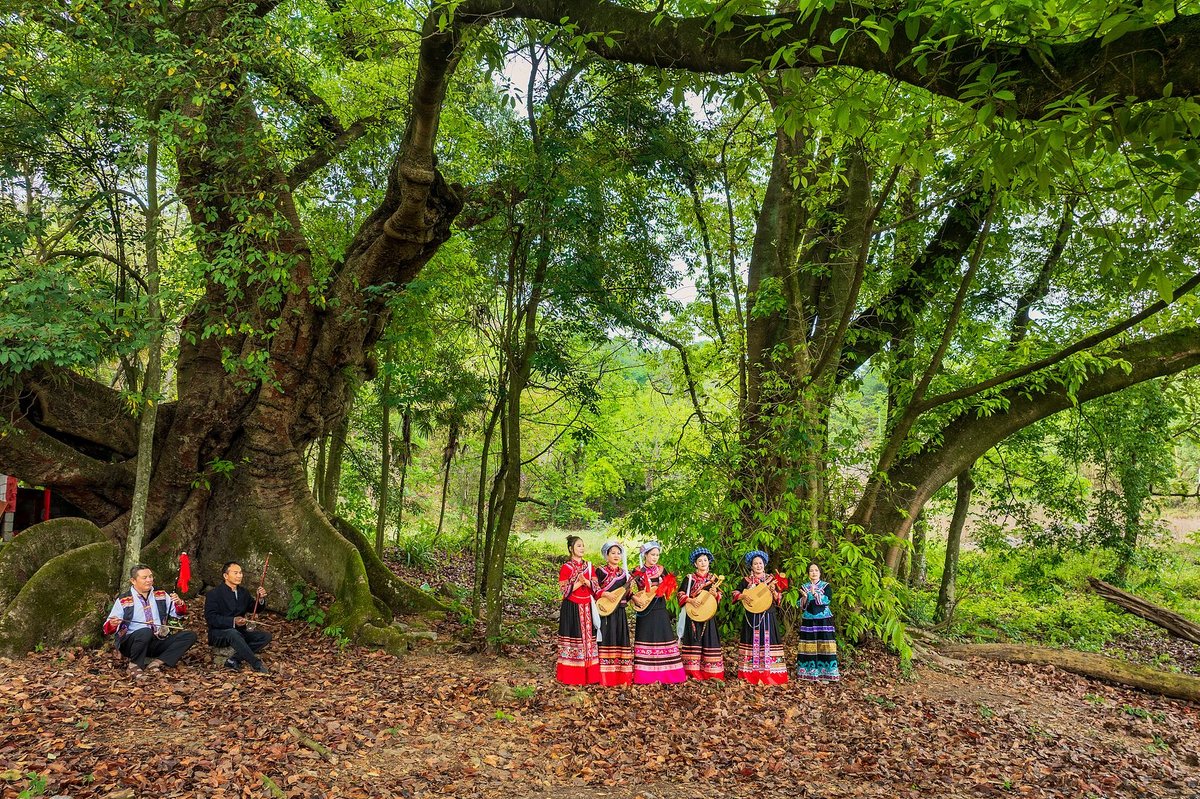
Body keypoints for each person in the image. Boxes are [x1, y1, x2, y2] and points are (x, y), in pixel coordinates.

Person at [103, 564, 197, 679]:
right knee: (145, 631)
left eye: (151, 576)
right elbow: (107, 628)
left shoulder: (160, 594)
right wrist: (113, 624)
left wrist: (179, 603)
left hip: (157, 639)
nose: (149, 580)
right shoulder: (123, 600)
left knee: (189, 636)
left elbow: (178, 613)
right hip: (132, 644)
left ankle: (156, 663)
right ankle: (134, 665)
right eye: (144, 578)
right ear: (133, 580)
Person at [630, 541, 685, 684]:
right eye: (652, 554)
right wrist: (636, 598)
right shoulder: (637, 571)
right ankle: (645, 675)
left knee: (664, 635)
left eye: (657, 555)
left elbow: (670, 589)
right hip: (645, 608)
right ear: (645, 555)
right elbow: (630, 589)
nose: (655, 557)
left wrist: (667, 585)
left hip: (659, 607)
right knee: (646, 635)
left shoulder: (661, 569)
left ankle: (668, 673)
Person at [731, 550, 788, 685]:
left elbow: (779, 597)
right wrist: (743, 596)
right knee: (752, 641)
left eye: (760, 563)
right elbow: (735, 593)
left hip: (768, 615)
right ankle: (750, 673)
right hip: (751, 617)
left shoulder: (771, 579)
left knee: (768, 641)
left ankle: (771, 673)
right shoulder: (745, 581)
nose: (758, 566)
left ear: (764, 564)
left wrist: (774, 590)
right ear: (751, 566)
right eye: (755, 564)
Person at [205, 561, 272, 674]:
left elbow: (254, 608)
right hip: (219, 633)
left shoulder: (243, 592)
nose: (239, 575)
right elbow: (211, 618)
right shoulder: (214, 594)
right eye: (235, 573)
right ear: (226, 576)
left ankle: (234, 659)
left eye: (240, 573)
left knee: (265, 636)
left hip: (240, 632)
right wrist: (233, 621)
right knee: (232, 633)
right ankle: (256, 664)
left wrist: (260, 599)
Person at [556, 535, 601, 685]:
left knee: (589, 641)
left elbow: (596, 587)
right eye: (579, 546)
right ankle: (573, 675)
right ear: (571, 549)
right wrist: (577, 583)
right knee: (574, 640)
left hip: (588, 606)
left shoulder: (589, 566)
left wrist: (586, 581)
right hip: (572, 607)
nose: (582, 548)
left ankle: (590, 675)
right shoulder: (566, 567)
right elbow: (564, 591)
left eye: (583, 545)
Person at [677, 547, 724, 680]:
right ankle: (692, 671)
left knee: (709, 639)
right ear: (695, 564)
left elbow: (719, 596)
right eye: (700, 561)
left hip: (708, 614)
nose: (703, 563)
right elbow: (680, 594)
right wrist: (691, 600)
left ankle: (711, 672)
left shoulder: (713, 579)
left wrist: (716, 595)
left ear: (709, 562)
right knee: (693, 640)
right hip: (693, 614)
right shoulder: (690, 578)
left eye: (705, 560)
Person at [592, 541, 634, 686]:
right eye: (613, 553)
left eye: (618, 553)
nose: (616, 555)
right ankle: (604, 675)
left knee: (620, 639)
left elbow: (627, 595)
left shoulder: (624, 574)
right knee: (606, 638)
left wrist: (631, 592)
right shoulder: (600, 571)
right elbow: (594, 589)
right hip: (604, 612)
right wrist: (605, 594)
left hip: (620, 611)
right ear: (606, 555)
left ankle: (621, 675)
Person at [796, 562, 840, 681]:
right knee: (809, 645)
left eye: (816, 570)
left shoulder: (826, 586)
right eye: (811, 570)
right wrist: (805, 597)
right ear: (808, 573)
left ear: (820, 572)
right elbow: (800, 605)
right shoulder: (804, 587)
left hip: (824, 620)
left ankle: (826, 674)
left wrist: (815, 594)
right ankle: (808, 673)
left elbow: (827, 600)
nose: (814, 573)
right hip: (809, 620)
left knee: (824, 645)